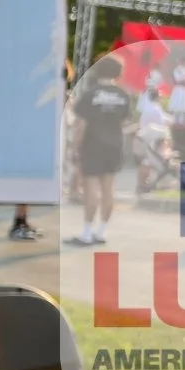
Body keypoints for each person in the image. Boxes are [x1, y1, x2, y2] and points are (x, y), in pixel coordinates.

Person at [67, 59, 134, 246]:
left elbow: (81, 124)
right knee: (108, 189)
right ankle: (102, 232)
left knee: (91, 189)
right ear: (118, 74)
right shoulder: (123, 96)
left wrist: (75, 147)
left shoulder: (89, 94)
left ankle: (86, 233)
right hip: (114, 146)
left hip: (92, 145)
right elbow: (124, 123)